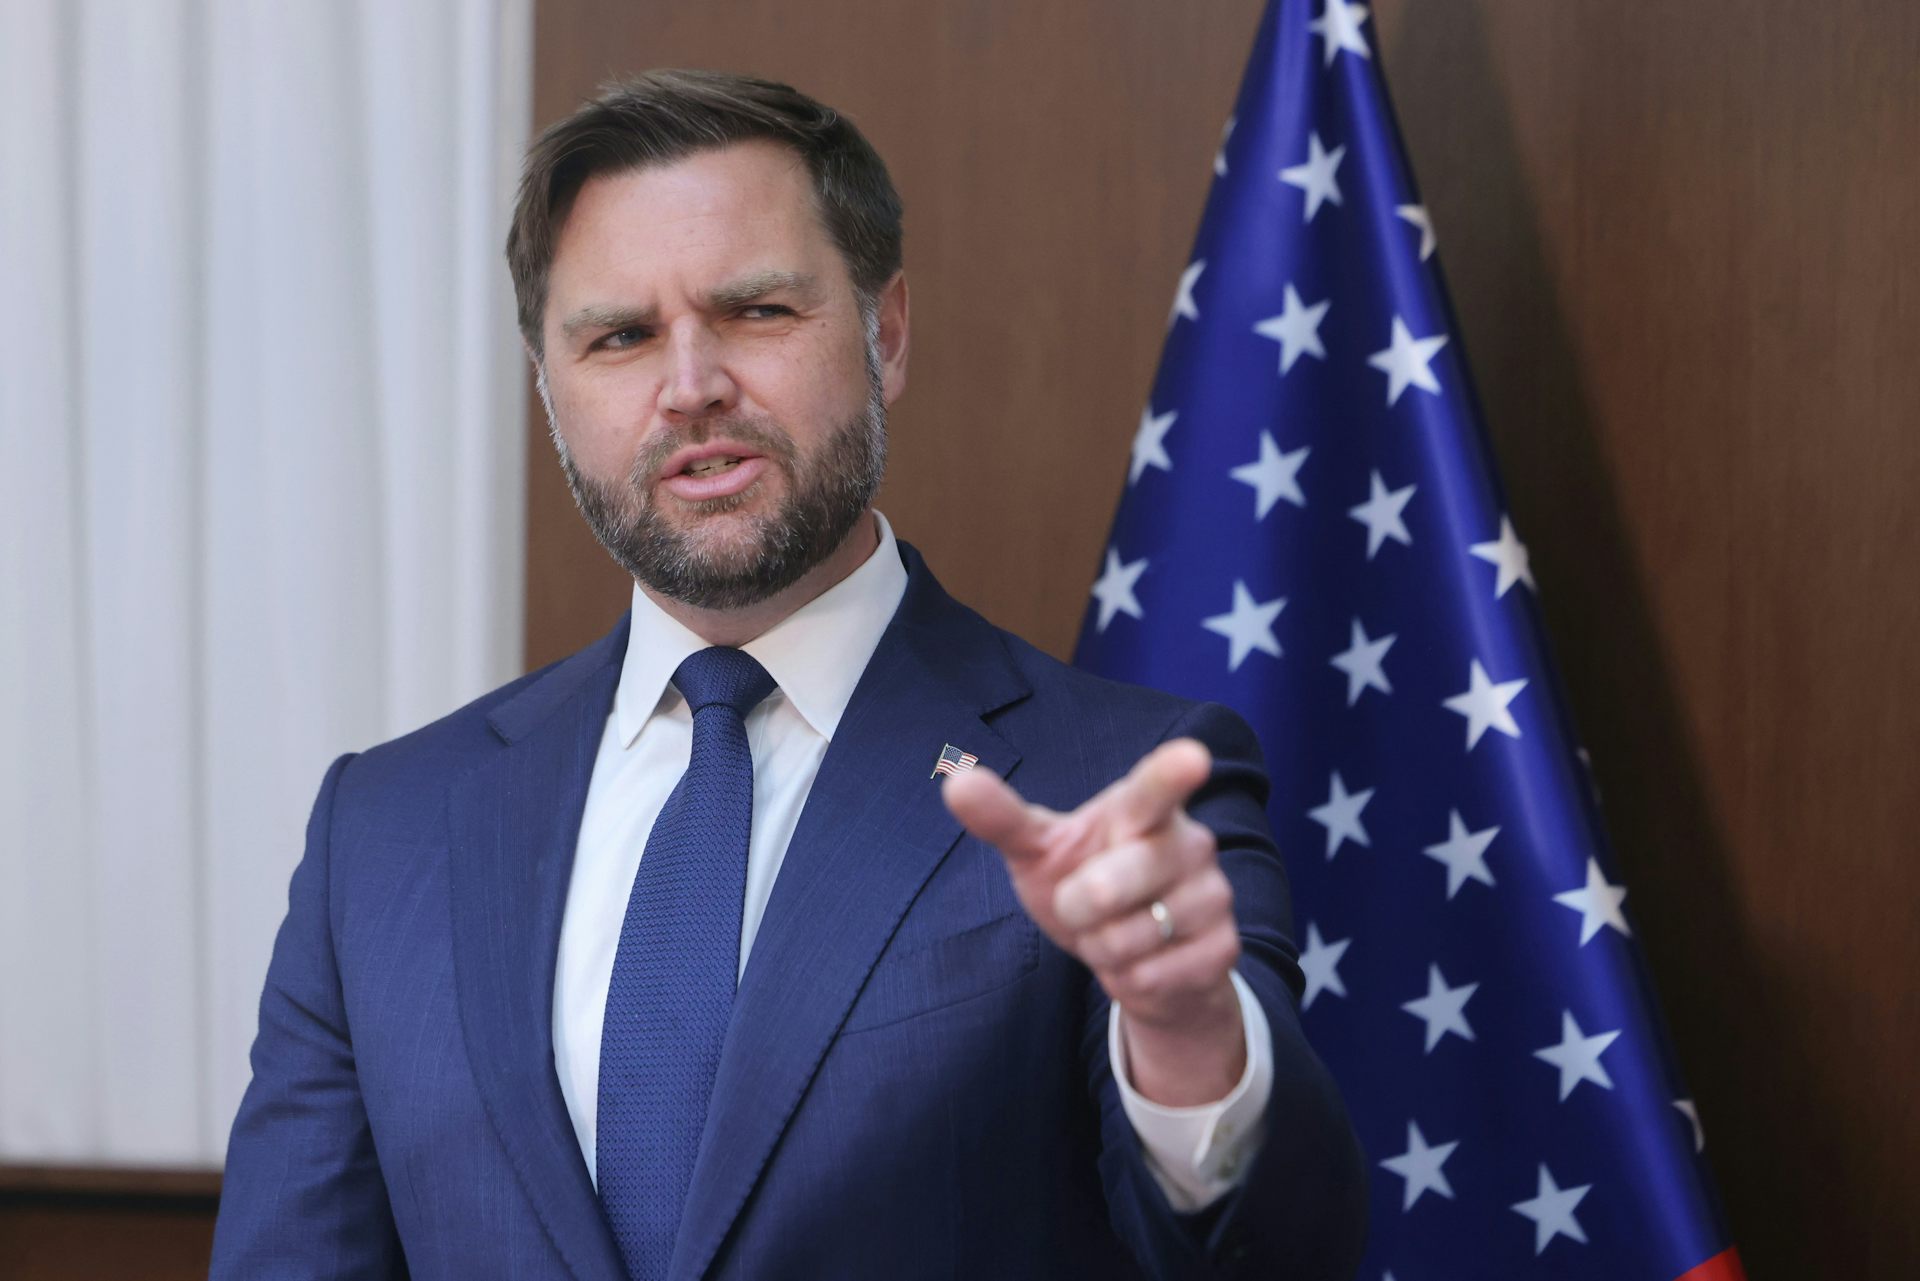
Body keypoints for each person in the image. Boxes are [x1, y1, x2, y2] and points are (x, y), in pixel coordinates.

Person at [209, 70, 1366, 1280]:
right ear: (549, 389)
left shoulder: (1116, 786)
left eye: (757, 311)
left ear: (888, 332)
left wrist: (1184, 1040)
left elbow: (1284, 1251)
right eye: (620, 336)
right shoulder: (385, 833)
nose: (692, 383)